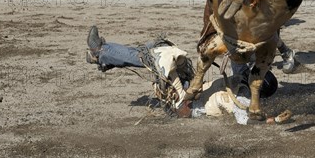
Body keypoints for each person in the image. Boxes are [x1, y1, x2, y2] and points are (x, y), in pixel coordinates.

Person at [85, 26, 287, 124]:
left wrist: (273, 120)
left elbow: (246, 120)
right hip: (192, 89)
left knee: (159, 56)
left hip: (184, 104)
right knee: (163, 52)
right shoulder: (242, 77)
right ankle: (105, 58)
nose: (253, 74)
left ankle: (102, 53)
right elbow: (238, 55)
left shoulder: (242, 100)